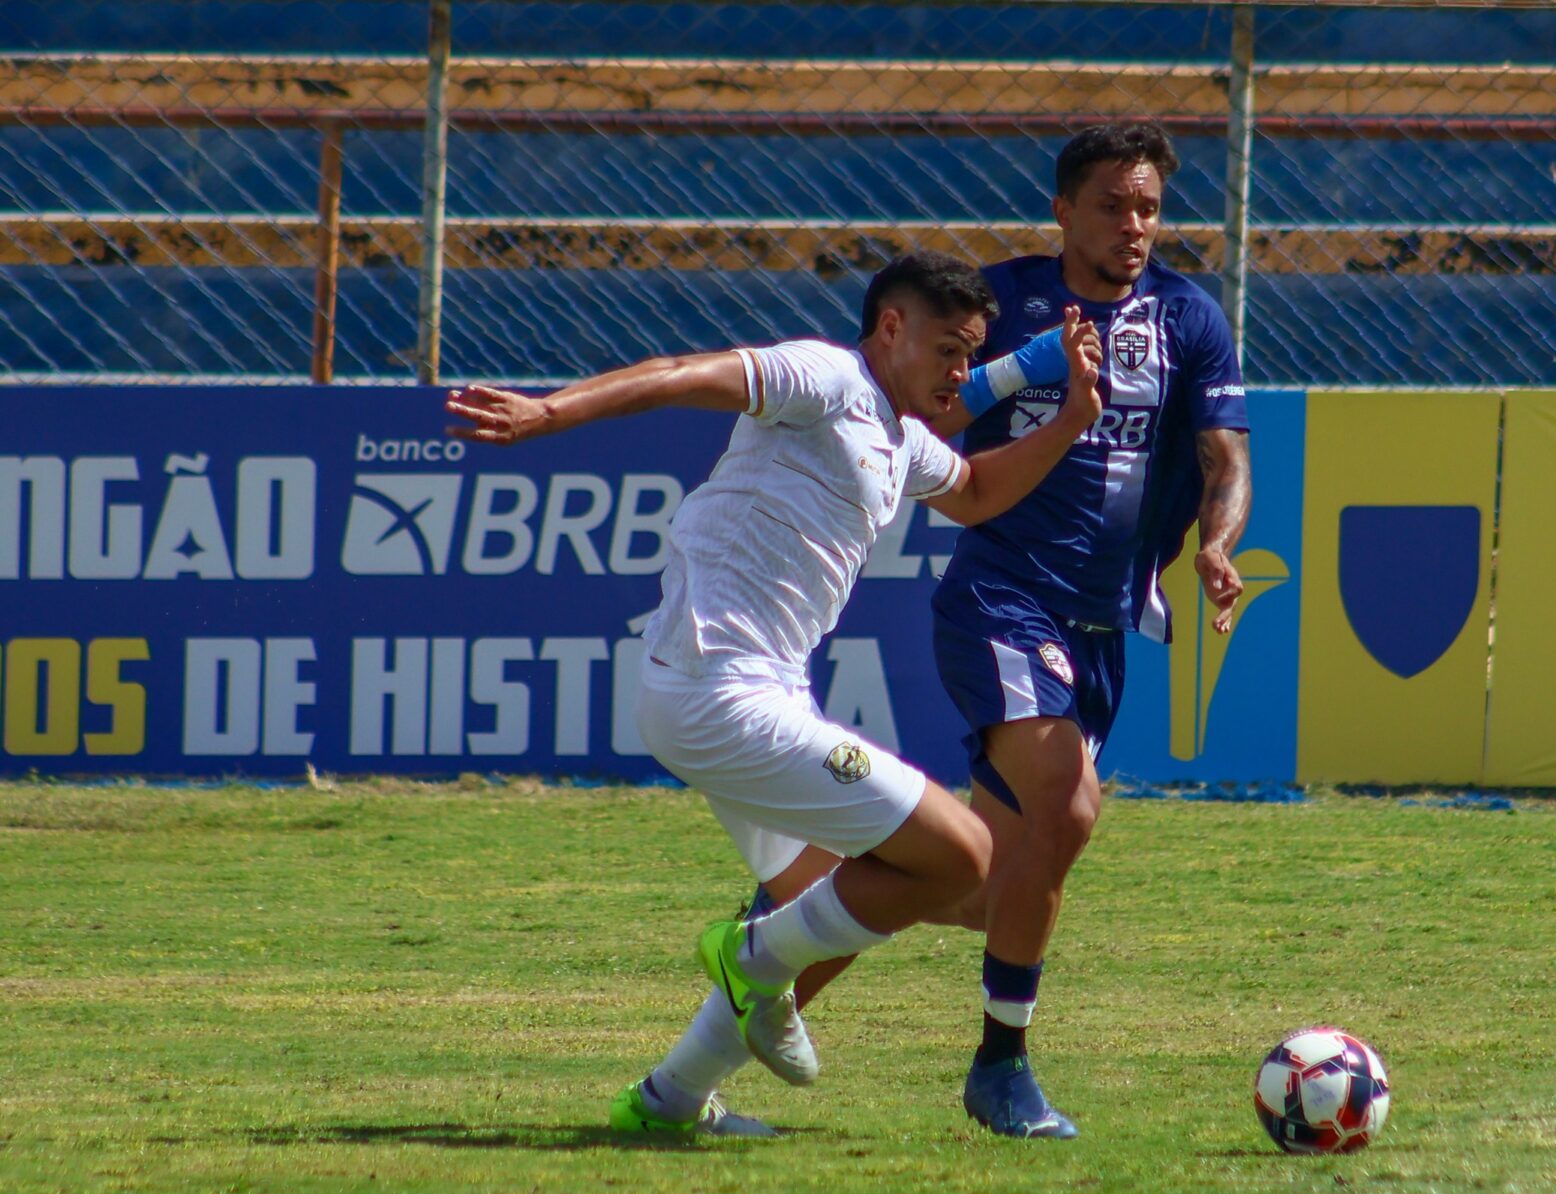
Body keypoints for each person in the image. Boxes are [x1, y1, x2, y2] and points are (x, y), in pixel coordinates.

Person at [627, 122, 1255, 1141]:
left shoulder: (1189, 317)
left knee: (971, 884)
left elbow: (1226, 460)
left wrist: (1219, 545)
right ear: (1063, 210)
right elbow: (920, 416)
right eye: (1111, 203)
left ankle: (677, 1083)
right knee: (1067, 802)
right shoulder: (1004, 305)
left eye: (1148, 206)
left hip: (1103, 623)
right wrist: (1028, 379)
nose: (1134, 225)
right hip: (1006, 594)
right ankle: (1002, 1063)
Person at [445, 251, 1104, 1137]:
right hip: (722, 696)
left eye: (971, 354)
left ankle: (669, 1099)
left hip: (748, 698)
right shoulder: (825, 378)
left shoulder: (897, 437)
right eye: (949, 351)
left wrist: (1069, 422)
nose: (961, 374)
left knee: (854, 902)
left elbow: (980, 491)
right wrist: (549, 412)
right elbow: (681, 375)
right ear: (891, 329)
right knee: (962, 856)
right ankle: (749, 957)